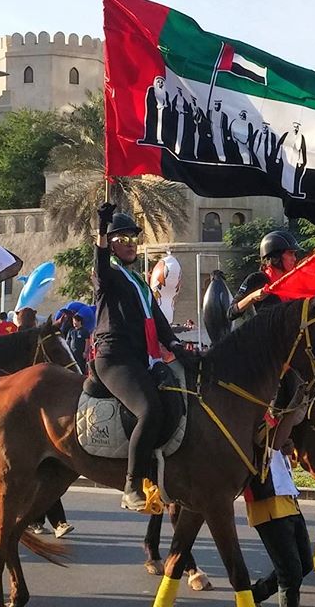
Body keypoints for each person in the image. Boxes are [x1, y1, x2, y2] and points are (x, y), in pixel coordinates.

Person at [93, 203, 190, 511]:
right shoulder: (106, 275)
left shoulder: (139, 283)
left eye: (134, 237)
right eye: (122, 238)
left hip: (141, 359)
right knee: (149, 410)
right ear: (111, 243)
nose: (131, 243)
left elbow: (159, 323)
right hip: (115, 358)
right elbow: (99, 259)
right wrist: (102, 225)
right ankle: (131, 485)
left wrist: (176, 344)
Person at [246, 439, 312, 607]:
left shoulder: (276, 422)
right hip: (267, 504)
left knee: (305, 564)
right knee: (290, 574)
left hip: (289, 500)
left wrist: (290, 451)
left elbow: (286, 461)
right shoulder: (254, 420)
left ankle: (254, 595)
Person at [227, 230, 300, 323]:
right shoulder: (257, 279)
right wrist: (252, 297)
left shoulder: (294, 280)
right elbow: (231, 313)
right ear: (275, 256)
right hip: (268, 335)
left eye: (295, 254)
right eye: (290, 253)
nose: (294, 259)